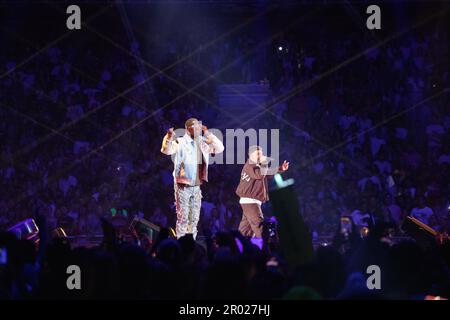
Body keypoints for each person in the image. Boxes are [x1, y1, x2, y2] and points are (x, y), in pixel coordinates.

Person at [161, 118, 224, 239]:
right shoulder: (180, 142)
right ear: (188, 128)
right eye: (195, 127)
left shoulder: (202, 142)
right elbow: (166, 150)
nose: (198, 129)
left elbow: (220, 148)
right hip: (182, 186)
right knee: (183, 217)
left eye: (199, 127)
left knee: (194, 219)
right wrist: (168, 137)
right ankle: (180, 243)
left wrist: (208, 133)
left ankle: (190, 244)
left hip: (196, 186)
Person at [235, 145, 289, 238]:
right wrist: (264, 162)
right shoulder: (250, 165)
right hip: (251, 202)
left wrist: (280, 169)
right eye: (258, 154)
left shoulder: (255, 166)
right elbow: (260, 175)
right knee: (261, 229)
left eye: (261, 153)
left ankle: (237, 248)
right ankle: (268, 250)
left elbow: (266, 173)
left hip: (249, 202)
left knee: (245, 232)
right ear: (251, 155)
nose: (261, 156)